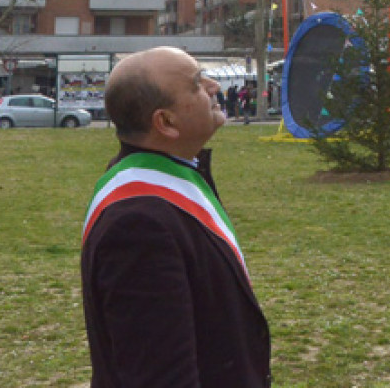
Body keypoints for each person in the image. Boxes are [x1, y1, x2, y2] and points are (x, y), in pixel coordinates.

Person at [81, 47, 269, 388]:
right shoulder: (139, 225)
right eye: (196, 84)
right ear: (165, 122)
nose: (213, 86)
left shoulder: (167, 178)